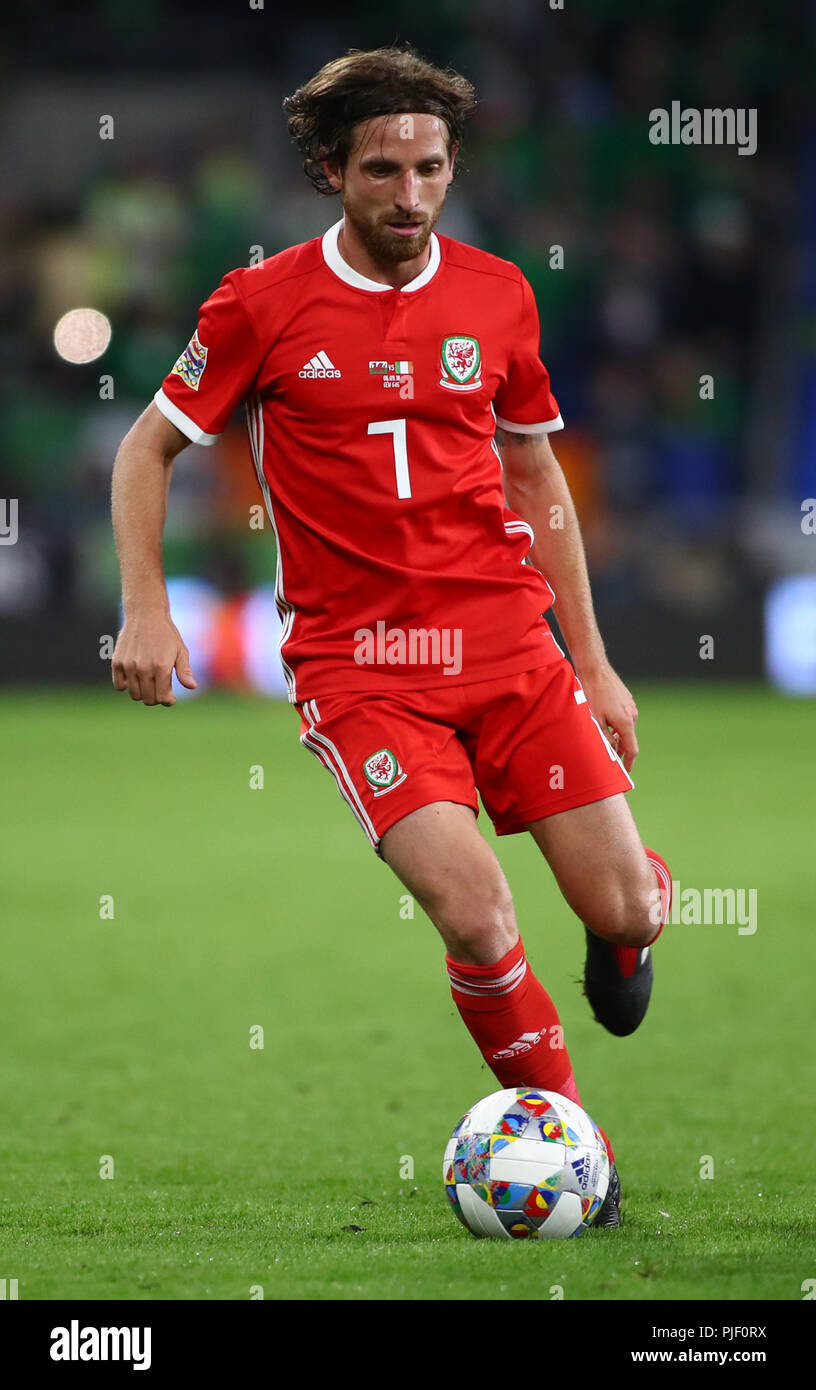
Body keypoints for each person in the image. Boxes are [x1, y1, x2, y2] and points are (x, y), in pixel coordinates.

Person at [110, 44, 672, 1231]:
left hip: (511, 646)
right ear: (331, 172)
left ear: (452, 166)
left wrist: (596, 657)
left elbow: (537, 477)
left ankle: (626, 929)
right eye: (382, 171)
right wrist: (148, 608)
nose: (409, 194)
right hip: (362, 671)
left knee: (623, 909)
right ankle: (578, 1151)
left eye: (429, 169)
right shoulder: (258, 304)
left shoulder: (500, 294)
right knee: (475, 913)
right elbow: (146, 448)